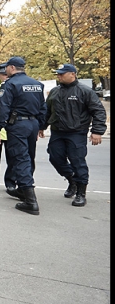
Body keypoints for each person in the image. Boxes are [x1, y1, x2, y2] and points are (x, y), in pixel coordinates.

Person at [39, 63, 107, 207]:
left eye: (61, 74)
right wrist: (42, 126)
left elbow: (98, 111)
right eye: (58, 74)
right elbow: (47, 111)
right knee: (55, 158)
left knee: (77, 162)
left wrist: (97, 131)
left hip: (76, 132)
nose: (59, 76)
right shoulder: (55, 92)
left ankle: (81, 193)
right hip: (57, 132)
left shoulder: (85, 91)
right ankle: (72, 180)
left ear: (72, 74)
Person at [0, 56, 47, 216]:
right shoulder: (37, 84)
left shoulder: (10, 84)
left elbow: (3, 108)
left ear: (12, 68)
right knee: (29, 157)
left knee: (20, 158)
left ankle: (30, 201)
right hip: (32, 124)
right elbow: (43, 107)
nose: (5, 71)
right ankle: (24, 190)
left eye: (6, 68)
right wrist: (41, 126)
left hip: (18, 125)